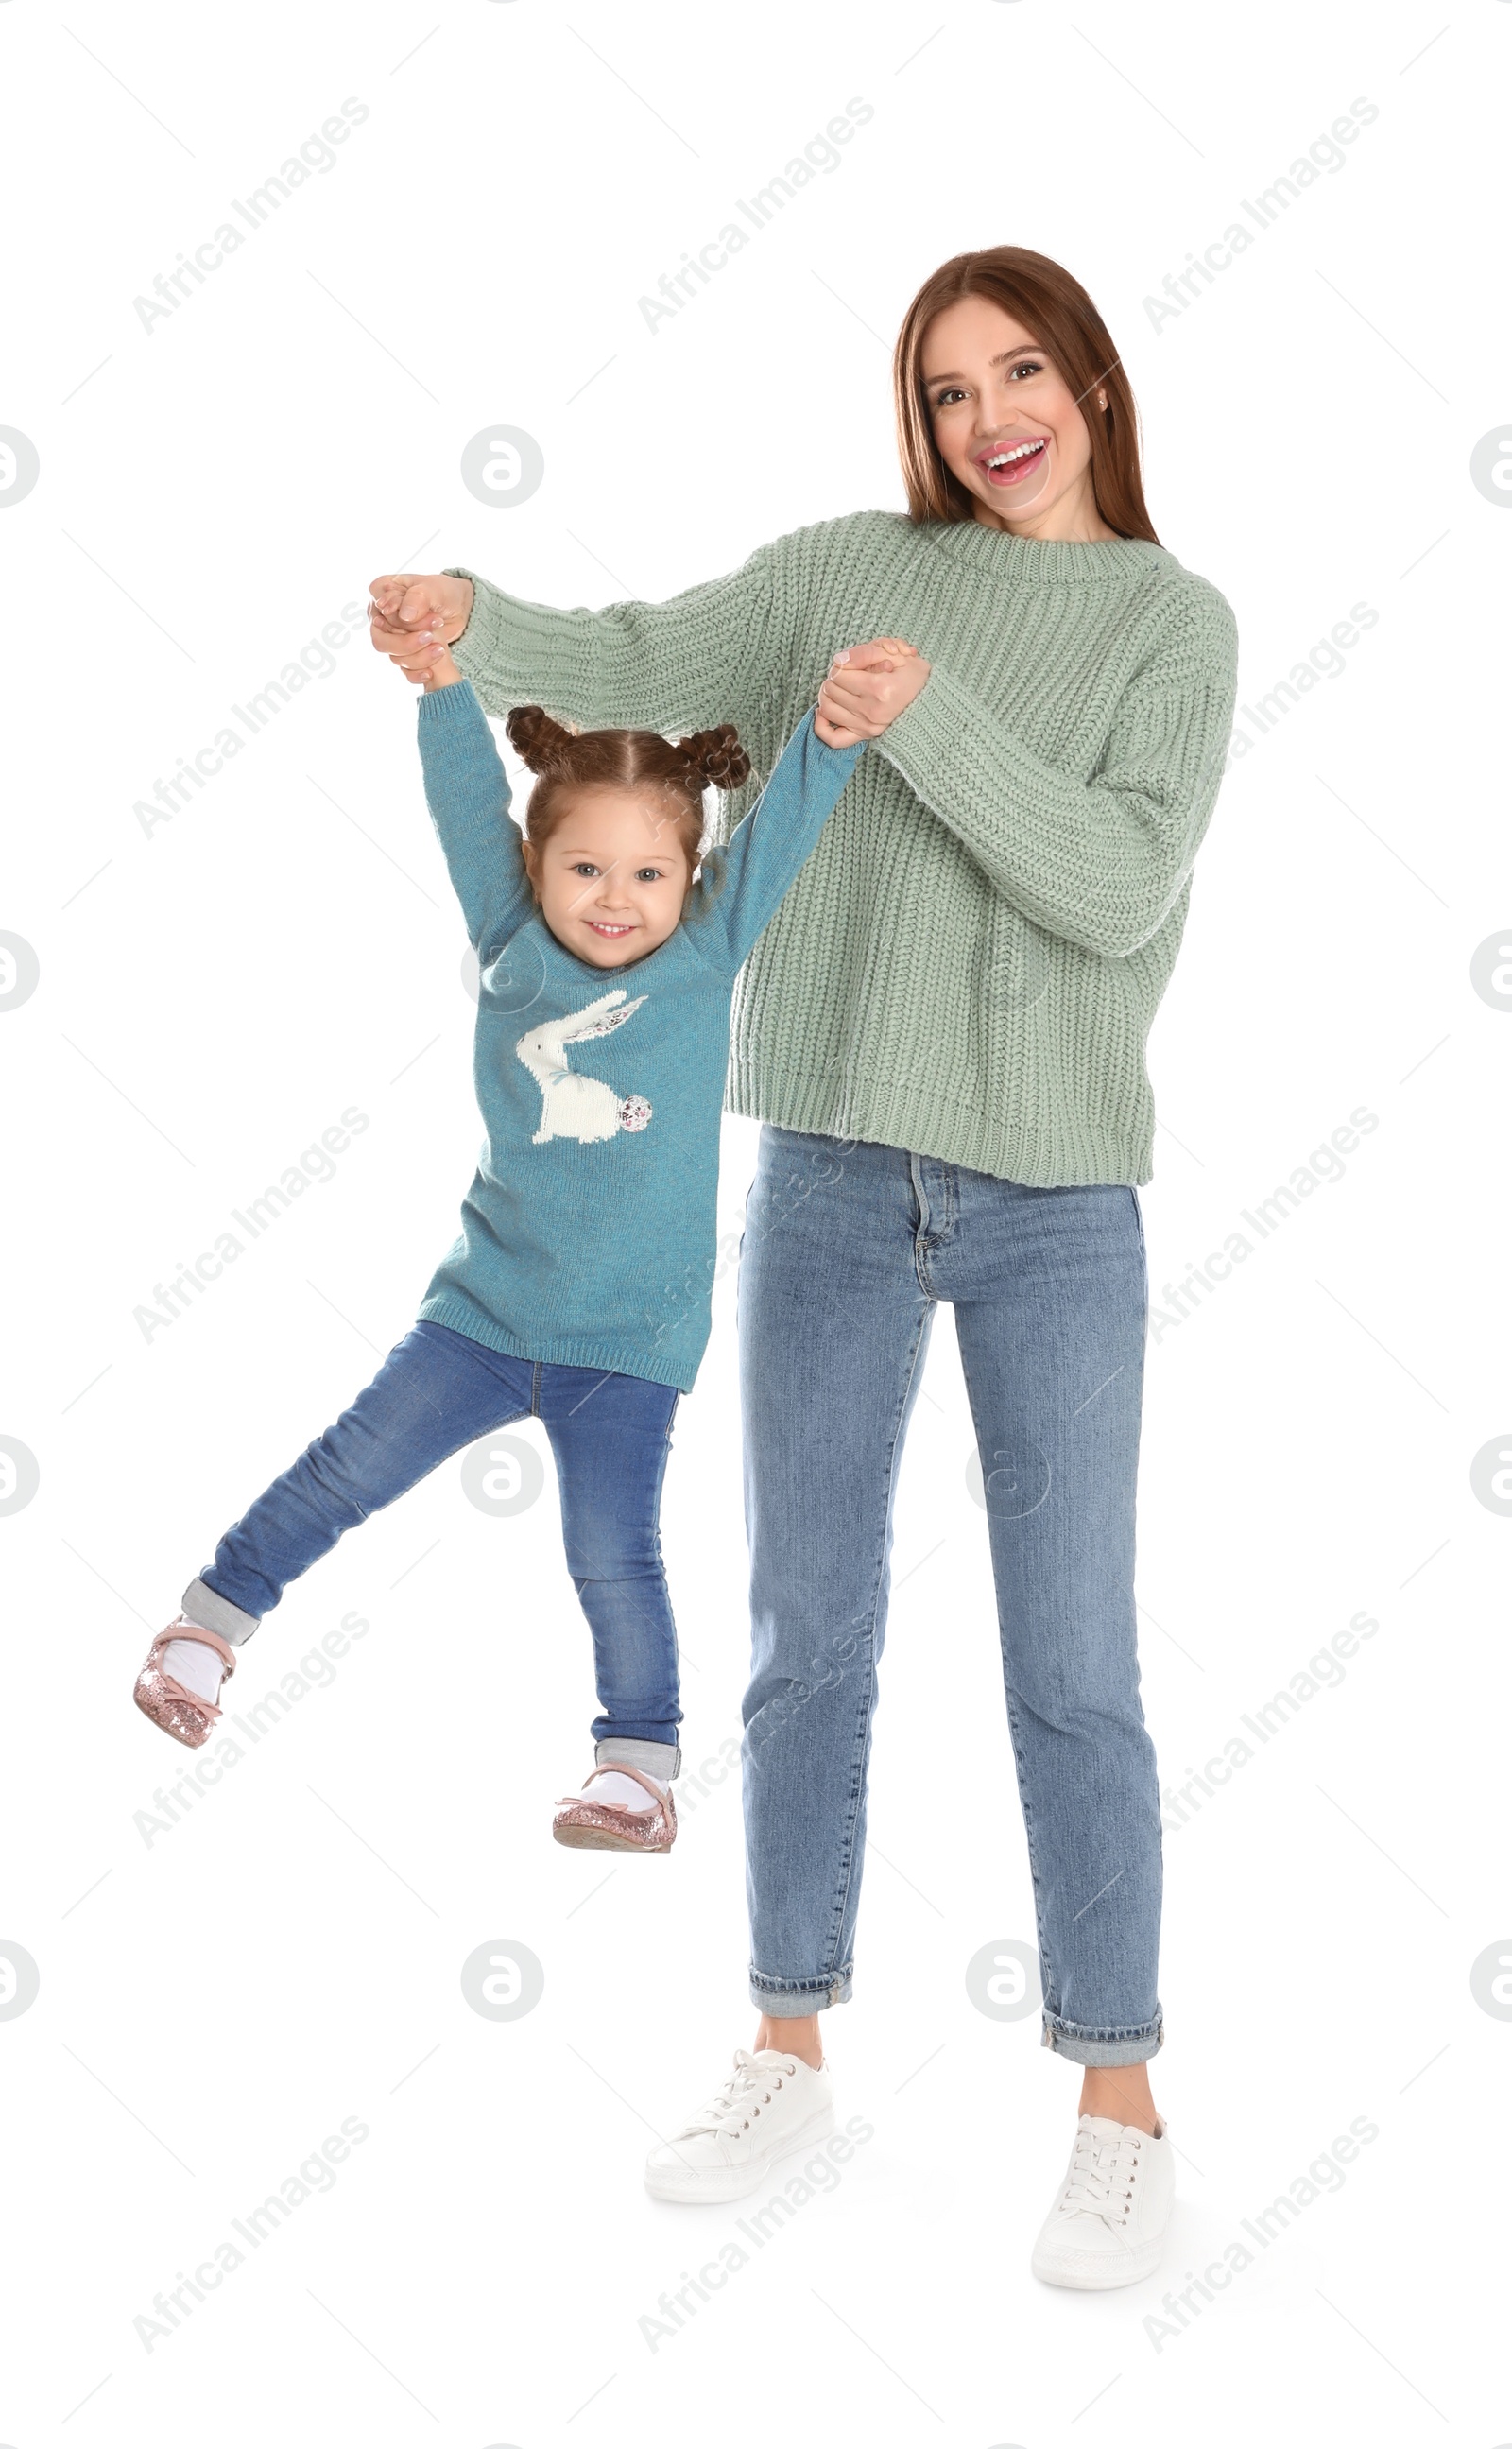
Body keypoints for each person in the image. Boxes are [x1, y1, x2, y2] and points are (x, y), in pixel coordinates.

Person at [368, 244, 1239, 2286]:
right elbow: (651, 646)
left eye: (1017, 372)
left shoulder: (1169, 624)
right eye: (943, 390)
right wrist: (474, 629)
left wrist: (915, 727)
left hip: (1049, 1204)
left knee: (1072, 1668)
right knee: (803, 1631)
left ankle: (1116, 2101)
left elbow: (1113, 885)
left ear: (1091, 387)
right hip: (833, 1170)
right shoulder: (845, 568)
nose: (984, 418)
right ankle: (784, 2038)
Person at [132, 635, 868, 1855]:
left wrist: (836, 734)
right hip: (481, 1321)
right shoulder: (511, 937)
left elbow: (782, 825)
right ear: (535, 865)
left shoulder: (705, 953)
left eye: (647, 872)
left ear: (694, 877)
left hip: (630, 1348)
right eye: (583, 866)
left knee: (612, 1554)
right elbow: (465, 801)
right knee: (343, 1472)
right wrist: (439, 688)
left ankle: (635, 1767)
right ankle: (207, 1628)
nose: (614, 898)